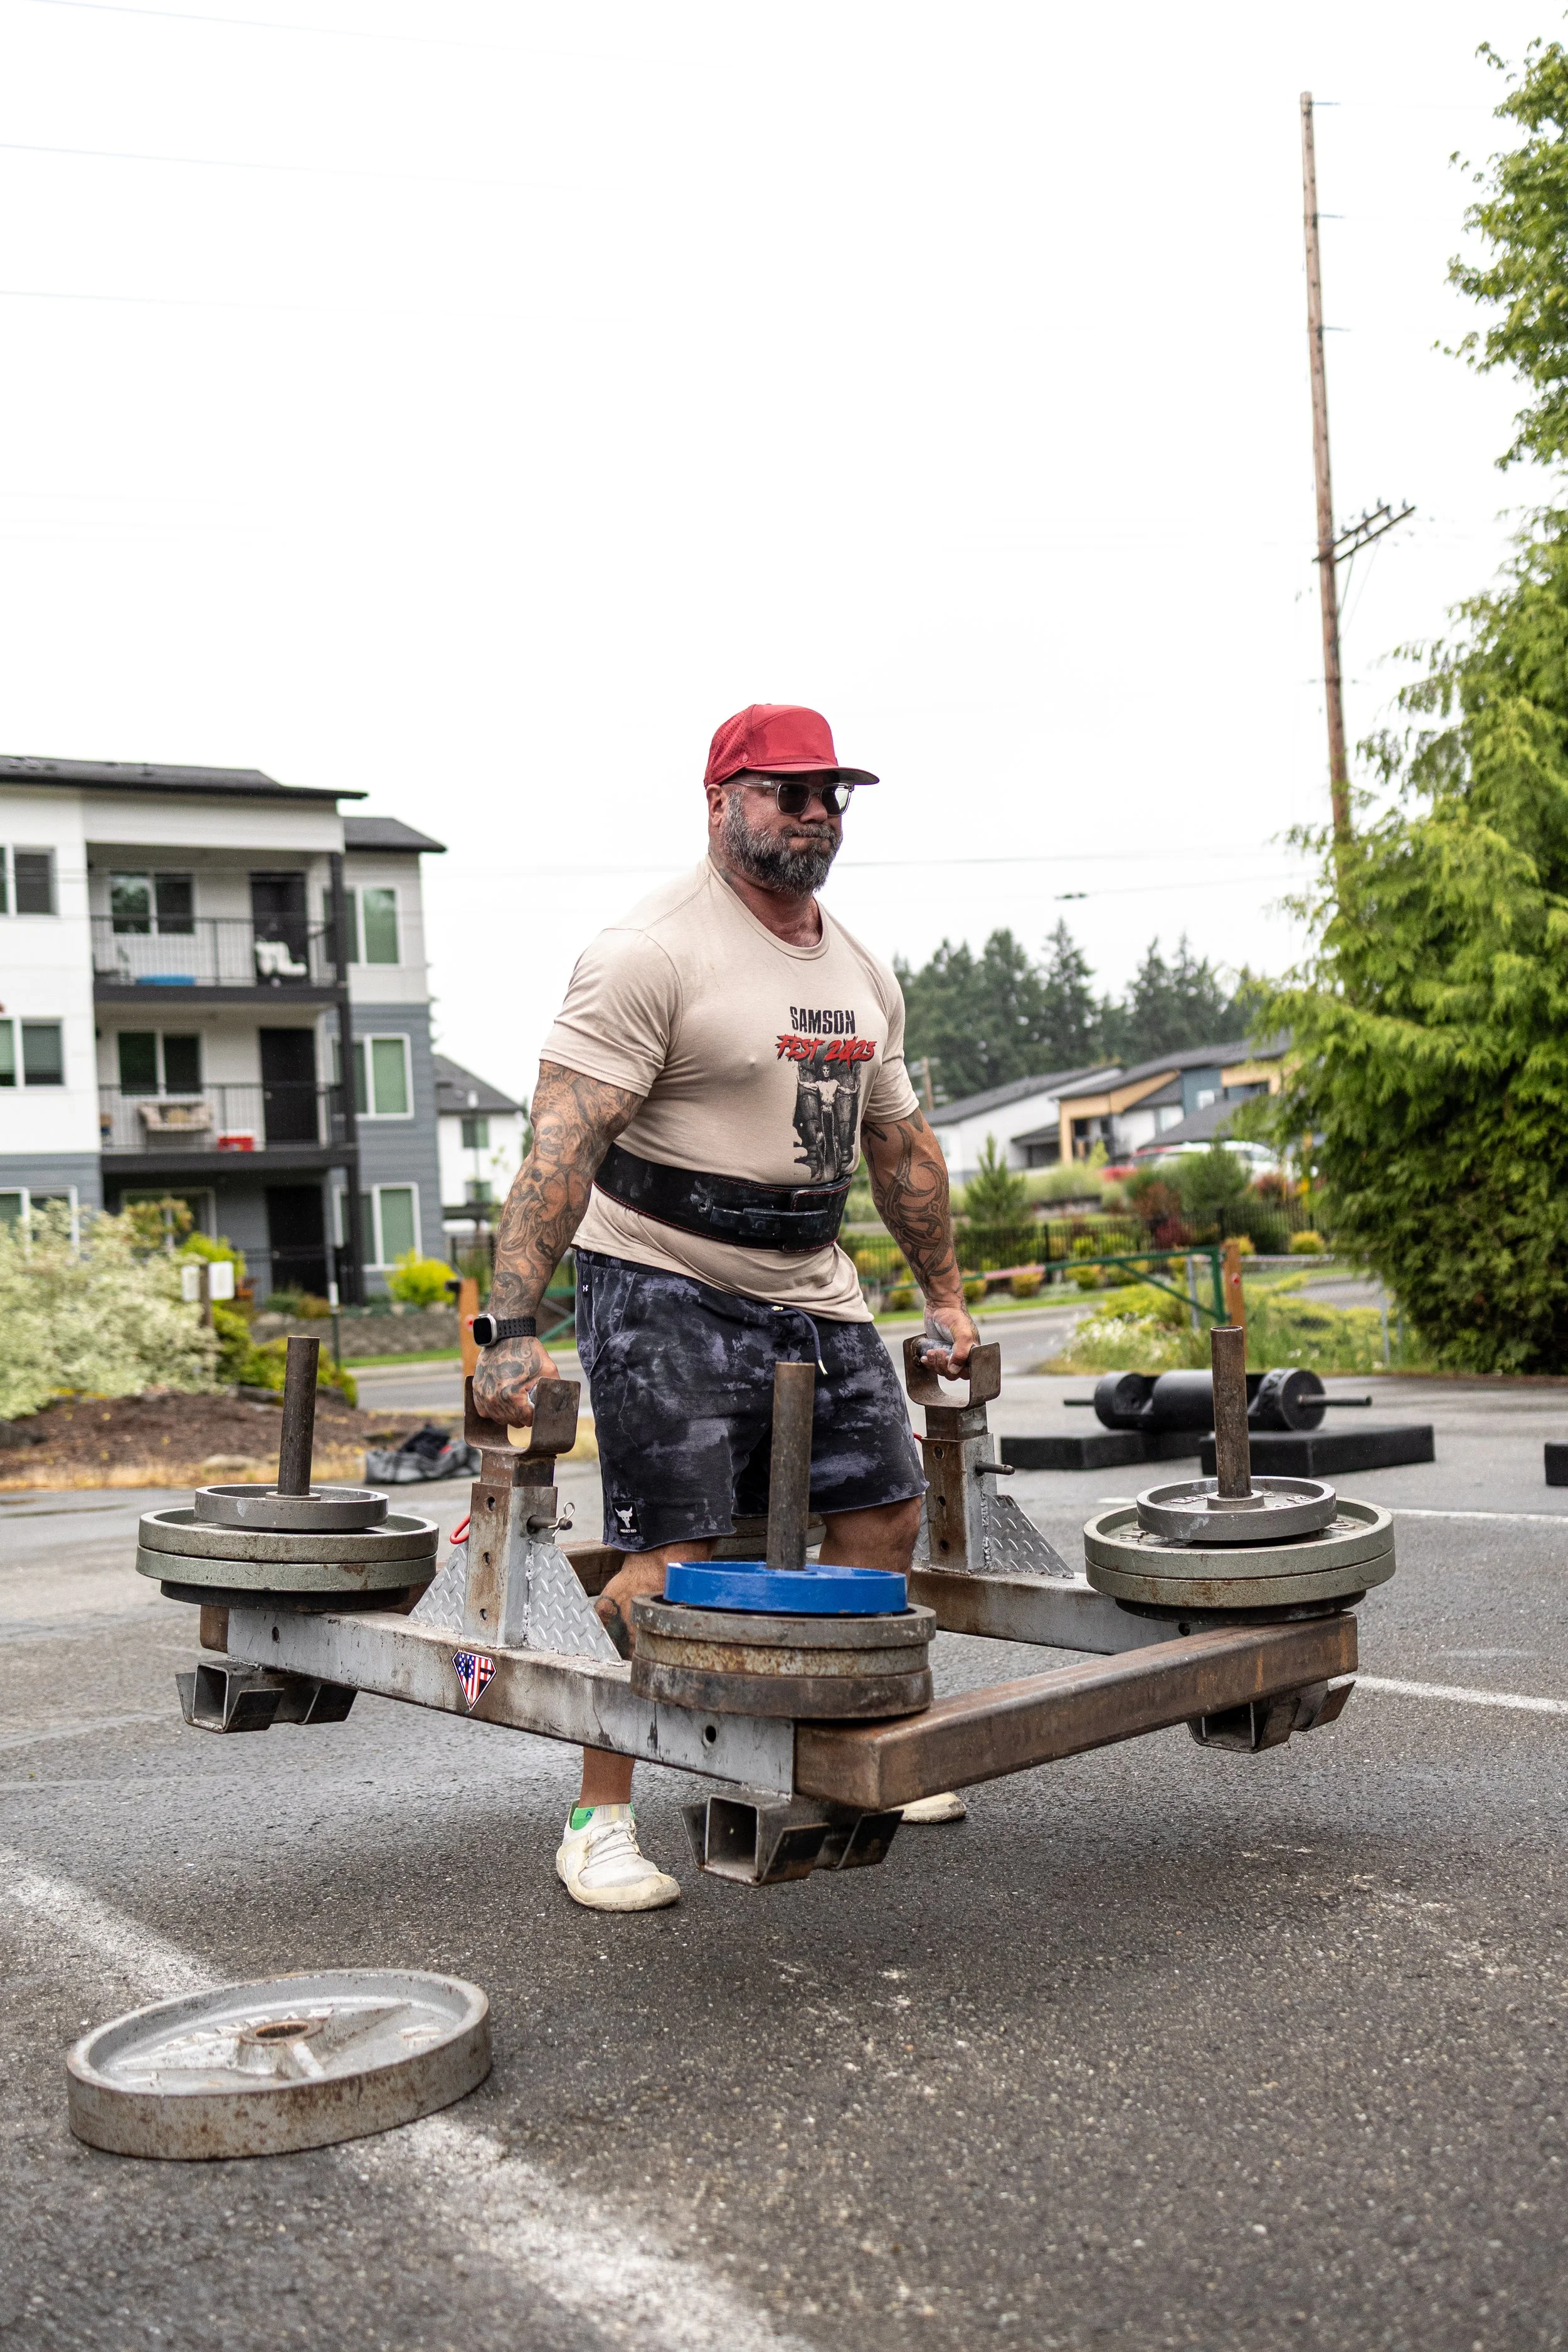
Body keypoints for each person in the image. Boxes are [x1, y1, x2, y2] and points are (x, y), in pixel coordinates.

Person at [472, 703, 981, 1911]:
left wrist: (947, 1298)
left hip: (812, 1279)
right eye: (786, 791)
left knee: (885, 1522)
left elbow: (901, 1148)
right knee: (672, 1560)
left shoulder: (859, 970)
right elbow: (561, 1144)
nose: (814, 813)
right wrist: (510, 1330)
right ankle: (600, 1815)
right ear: (720, 801)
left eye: (830, 795)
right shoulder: (649, 951)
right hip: (663, 1275)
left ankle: (857, 1756)